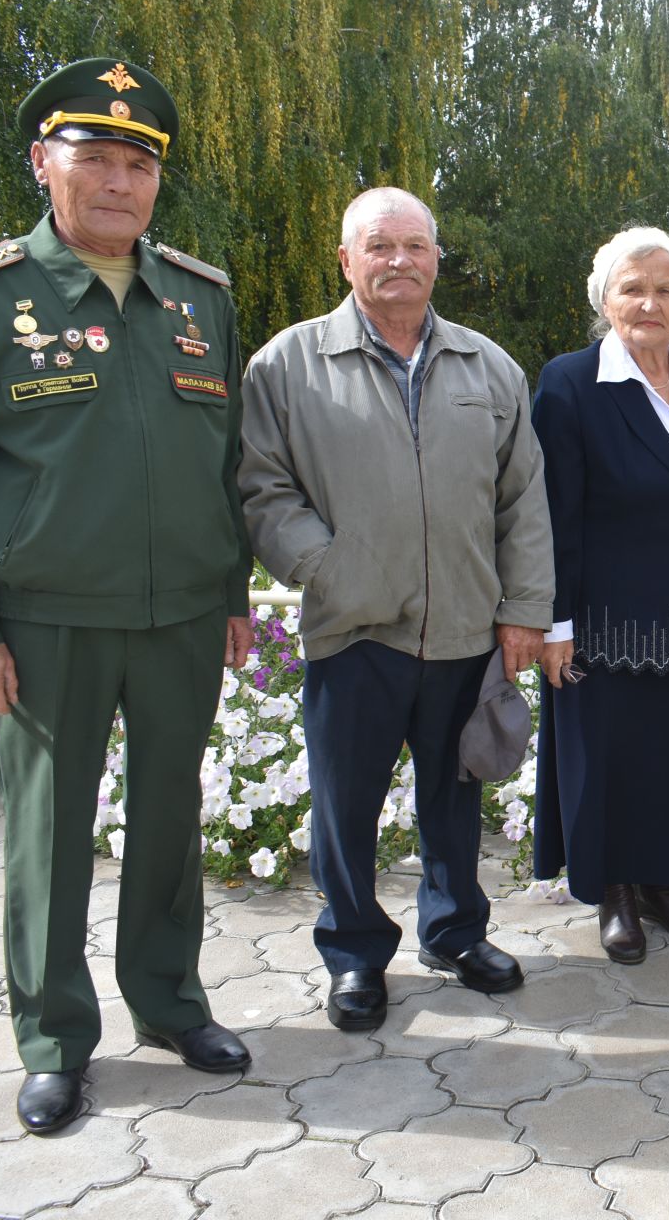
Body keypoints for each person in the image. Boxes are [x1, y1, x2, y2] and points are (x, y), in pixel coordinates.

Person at [0, 58, 255, 1134]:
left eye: (139, 162)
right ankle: (54, 1039)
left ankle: (171, 1002)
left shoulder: (199, 297)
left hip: (182, 613)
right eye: (93, 157)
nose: (119, 181)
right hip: (45, 621)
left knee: (169, 819)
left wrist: (231, 592)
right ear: (43, 163)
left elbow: (221, 465)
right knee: (49, 836)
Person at [238, 187, 553, 1033]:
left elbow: (523, 499)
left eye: (416, 246)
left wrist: (523, 607)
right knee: (347, 802)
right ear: (346, 260)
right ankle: (353, 955)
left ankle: (453, 933)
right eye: (379, 246)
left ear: (438, 259)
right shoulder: (287, 365)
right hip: (355, 630)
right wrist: (327, 567)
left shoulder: (489, 368)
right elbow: (263, 487)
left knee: (454, 798)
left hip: (463, 629)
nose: (399, 261)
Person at [530, 227, 669, 963]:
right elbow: (551, 511)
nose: (650, 302)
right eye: (633, 288)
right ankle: (615, 892)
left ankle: (662, 883)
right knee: (610, 755)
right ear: (604, 299)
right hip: (602, 614)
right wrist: (553, 621)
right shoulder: (570, 382)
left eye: (666, 288)